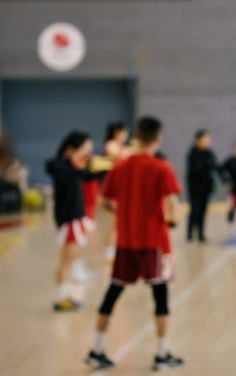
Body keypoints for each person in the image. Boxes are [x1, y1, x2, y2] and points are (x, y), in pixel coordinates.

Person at [85, 117, 184, 371]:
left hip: (126, 242)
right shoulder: (161, 168)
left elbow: (103, 201)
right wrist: (172, 220)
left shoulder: (120, 167)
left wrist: (123, 213)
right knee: (161, 298)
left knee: (113, 293)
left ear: (137, 137)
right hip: (156, 243)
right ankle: (162, 354)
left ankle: (96, 349)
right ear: (157, 139)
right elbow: (174, 206)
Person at [45, 131, 101, 311]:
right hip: (69, 218)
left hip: (75, 218)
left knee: (71, 258)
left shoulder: (72, 167)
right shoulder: (61, 166)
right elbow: (60, 169)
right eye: (83, 150)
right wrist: (82, 165)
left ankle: (65, 296)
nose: (86, 155)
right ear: (70, 149)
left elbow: (88, 175)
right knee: (66, 260)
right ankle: (61, 298)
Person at [101, 121, 131, 264]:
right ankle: (109, 250)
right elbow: (121, 157)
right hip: (114, 186)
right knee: (115, 220)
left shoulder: (122, 147)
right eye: (123, 132)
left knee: (120, 221)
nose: (125, 135)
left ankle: (116, 248)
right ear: (116, 132)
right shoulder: (111, 145)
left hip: (123, 186)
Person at [185, 129, 219, 242]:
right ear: (198, 140)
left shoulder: (209, 153)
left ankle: (200, 234)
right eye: (204, 140)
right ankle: (190, 234)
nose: (206, 142)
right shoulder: (192, 153)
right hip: (195, 188)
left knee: (203, 211)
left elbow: (216, 167)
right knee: (195, 211)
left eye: (208, 140)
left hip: (206, 188)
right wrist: (206, 164)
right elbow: (196, 170)